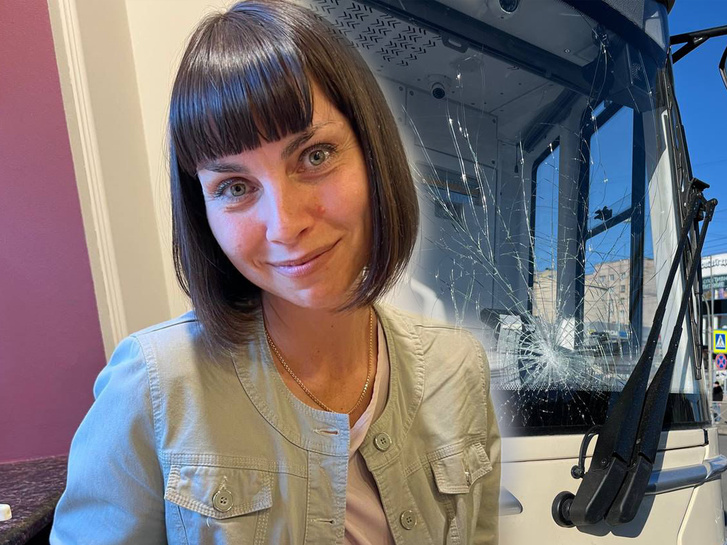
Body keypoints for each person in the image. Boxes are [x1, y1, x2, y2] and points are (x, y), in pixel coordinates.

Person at [50, 1, 500, 543]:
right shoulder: (152, 388)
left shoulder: (458, 367)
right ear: (202, 210)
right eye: (235, 187)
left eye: (315, 156)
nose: (285, 225)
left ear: (373, 153)